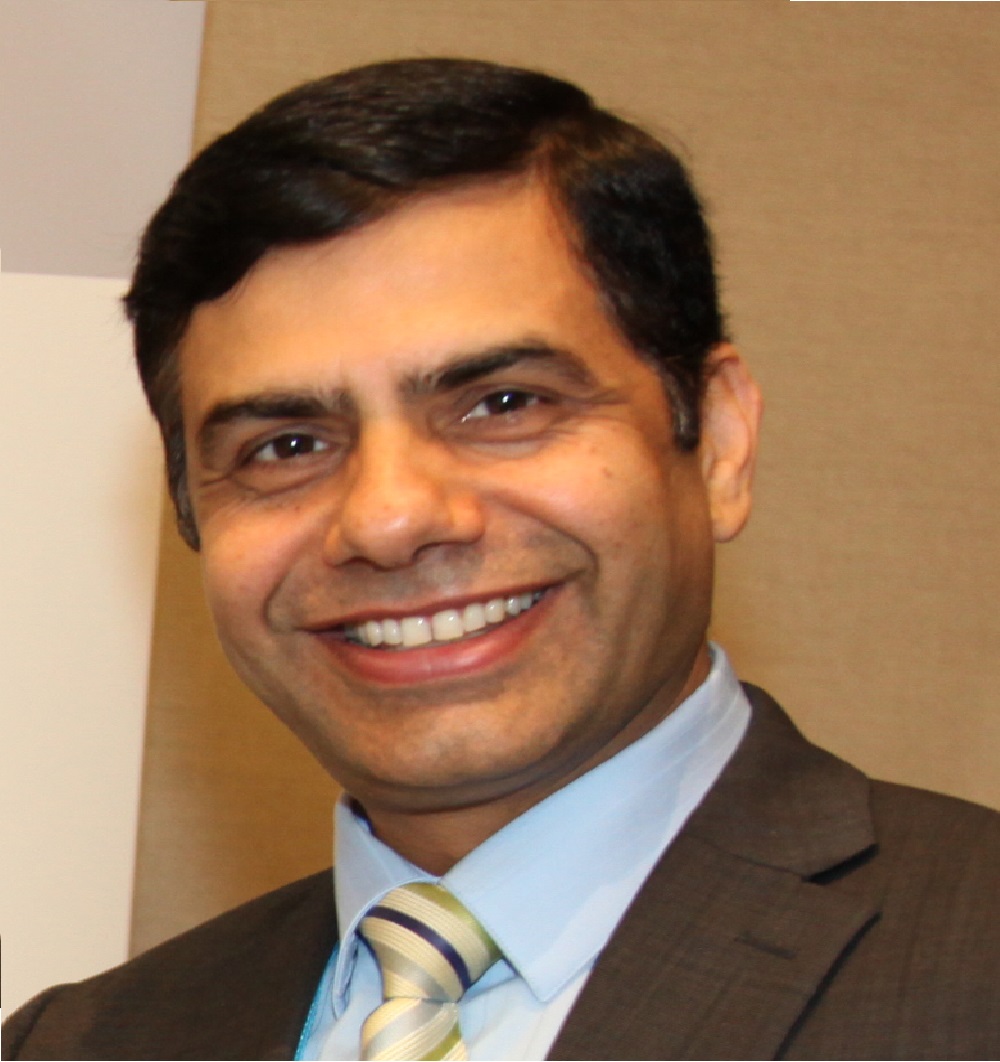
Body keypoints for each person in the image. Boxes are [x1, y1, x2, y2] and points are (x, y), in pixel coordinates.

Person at [4, 57, 998, 1062]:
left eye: (503, 404)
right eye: (287, 446)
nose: (390, 519)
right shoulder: (78, 1045)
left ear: (720, 443)